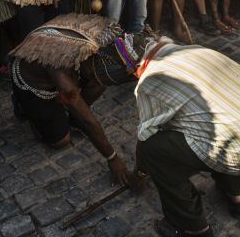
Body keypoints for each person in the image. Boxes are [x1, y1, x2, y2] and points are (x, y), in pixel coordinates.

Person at [131, 37, 240, 237]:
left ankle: (193, 227)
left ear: (139, 66)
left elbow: (147, 134)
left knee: (154, 149)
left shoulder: (151, 78)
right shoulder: (200, 50)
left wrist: (140, 173)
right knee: (222, 121)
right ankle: (236, 199)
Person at [10, 13, 148, 186]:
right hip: (33, 86)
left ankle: (70, 117)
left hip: (58, 73)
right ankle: (25, 108)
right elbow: (88, 120)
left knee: (98, 82)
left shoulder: (103, 40)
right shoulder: (62, 69)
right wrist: (113, 158)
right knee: (61, 140)